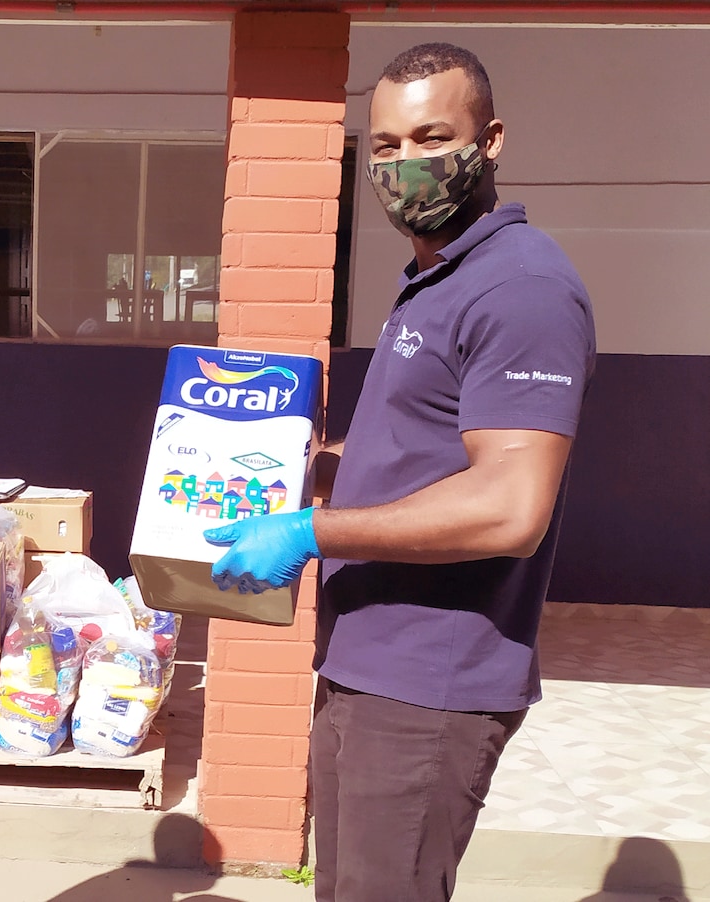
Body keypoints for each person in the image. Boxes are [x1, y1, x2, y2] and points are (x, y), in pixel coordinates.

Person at [203, 43, 596, 902]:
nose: (405, 164)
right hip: (365, 661)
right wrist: (289, 466)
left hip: (432, 682)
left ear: (489, 140)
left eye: (431, 137)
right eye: (384, 147)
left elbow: (508, 505)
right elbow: (428, 451)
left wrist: (309, 531)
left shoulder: (520, 288)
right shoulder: (434, 280)